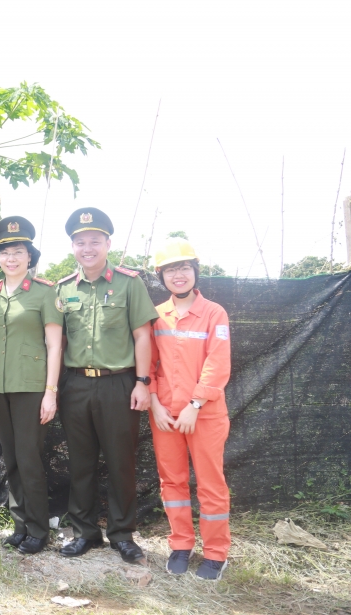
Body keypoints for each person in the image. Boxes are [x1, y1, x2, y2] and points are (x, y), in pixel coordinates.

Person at [55, 208, 159, 565]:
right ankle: (84, 532)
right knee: (80, 463)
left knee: (120, 462)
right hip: (76, 386)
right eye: (80, 242)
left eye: (94, 241)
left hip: (119, 385)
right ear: (72, 246)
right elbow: (60, 343)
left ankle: (121, 534)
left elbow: (143, 336)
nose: (88, 247)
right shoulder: (64, 288)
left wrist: (143, 382)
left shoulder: (130, 283)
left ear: (107, 243)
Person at [148, 238, 232, 580]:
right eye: (171, 269)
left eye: (184, 268)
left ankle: (215, 553)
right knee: (172, 482)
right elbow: (148, 364)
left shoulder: (214, 313)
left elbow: (218, 362)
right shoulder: (155, 317)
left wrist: (195, 404)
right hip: (166, 416)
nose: (178, 275)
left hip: (205, 414)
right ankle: (181, 544)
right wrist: (154, 404)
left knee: (210, 484)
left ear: (194, 272)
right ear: (162, 277)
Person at [0, 216, 63, 555]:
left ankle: (38, 529)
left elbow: (55, 345)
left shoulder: (45, 293)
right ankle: (20, 524)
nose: (11, 258)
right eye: (4, 253)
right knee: (11, 459)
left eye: (18, 251)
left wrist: (51, 392)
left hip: (32, 388)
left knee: (29, 458)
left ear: (30, 256)